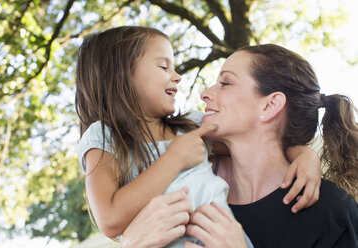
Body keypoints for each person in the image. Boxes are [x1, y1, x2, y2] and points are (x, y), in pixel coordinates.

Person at [75, 26, 321, 247]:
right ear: (121, 75)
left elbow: (258, 142)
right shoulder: (103, 138)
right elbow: (110, 220)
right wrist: (174, 159)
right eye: (163, 66)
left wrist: (304, 154)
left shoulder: (190, 127)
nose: (177, 76)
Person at [121, 44, 358, 248]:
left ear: (270, 105)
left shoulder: (333, 213)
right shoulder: (188, 190)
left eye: (225, 82)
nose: (204, 93)